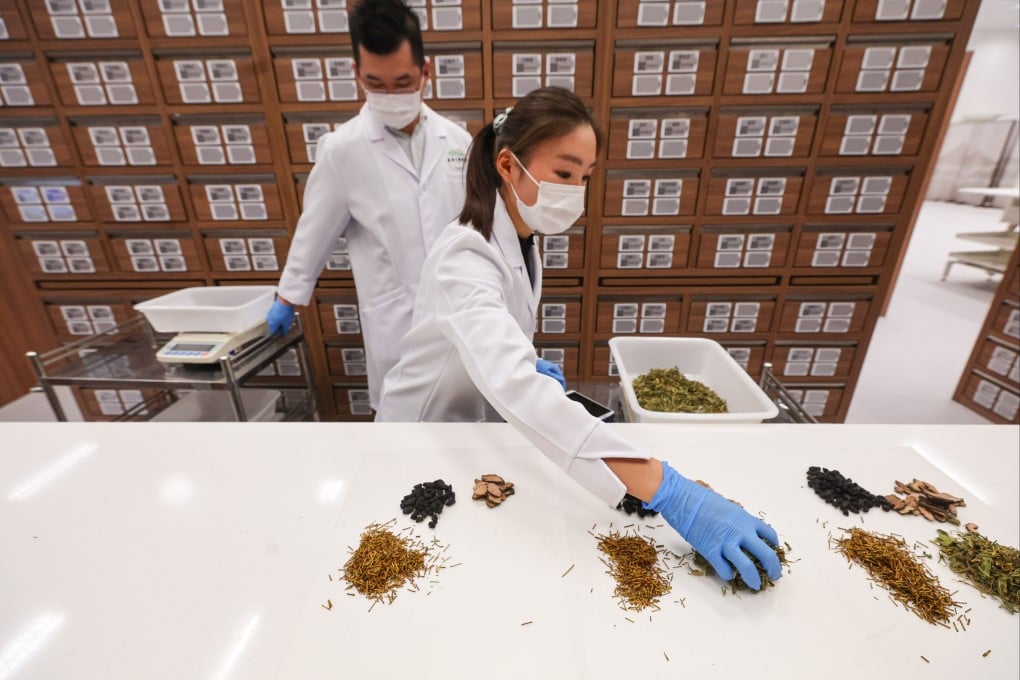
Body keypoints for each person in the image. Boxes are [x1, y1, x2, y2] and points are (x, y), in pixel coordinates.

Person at [376, 87, 782, 590]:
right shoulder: (465, 256)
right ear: (507, 165)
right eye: (564, 173)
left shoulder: (520, 240)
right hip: (420, 433)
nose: (575, 190)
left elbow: (498, 344)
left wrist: (525, 359)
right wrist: (671, 491)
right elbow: (513, 383)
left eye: (584, 177)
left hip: (474, 427)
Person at [265, 0, 472, 409]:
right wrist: (288, 298)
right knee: (401, 430)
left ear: (425, 73)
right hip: (396, 323)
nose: (390, 95)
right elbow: (314, 231)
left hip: (458, 318)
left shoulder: (459, 143)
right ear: (358, 74)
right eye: (376, 84)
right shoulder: (343, 150)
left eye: (402, 82)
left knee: (465, 423)